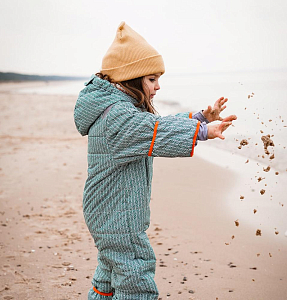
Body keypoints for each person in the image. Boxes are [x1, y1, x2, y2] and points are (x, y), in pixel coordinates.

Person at [74, 21, 237, 300]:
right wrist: (204, 131)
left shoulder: (118, 111)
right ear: (130, 78)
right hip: (118, 216)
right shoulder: (118, 117)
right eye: (152, 79)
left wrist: (199, 118)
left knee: (112, 271)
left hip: (109, 212)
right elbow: (157, 132)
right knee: (135, 271)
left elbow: (155, 125)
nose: (158, 86)